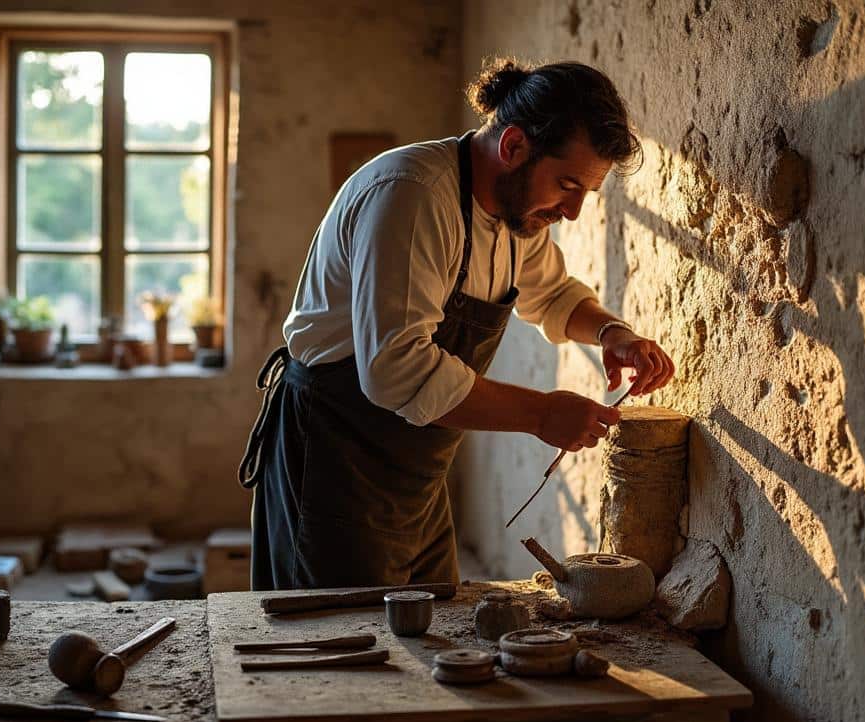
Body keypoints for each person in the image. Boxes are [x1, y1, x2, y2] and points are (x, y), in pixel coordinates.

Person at [239, 58, 676, 590]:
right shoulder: (413, 195)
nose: (573, 211)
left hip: (416, 475)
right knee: (345, 643)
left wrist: (614, 334)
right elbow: (396, 369)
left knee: (430, 626)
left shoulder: (520, 213)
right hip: (337, 458)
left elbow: (554, 294)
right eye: (566, 185)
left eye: (585, 191)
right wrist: (541, 414)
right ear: (514, 147)